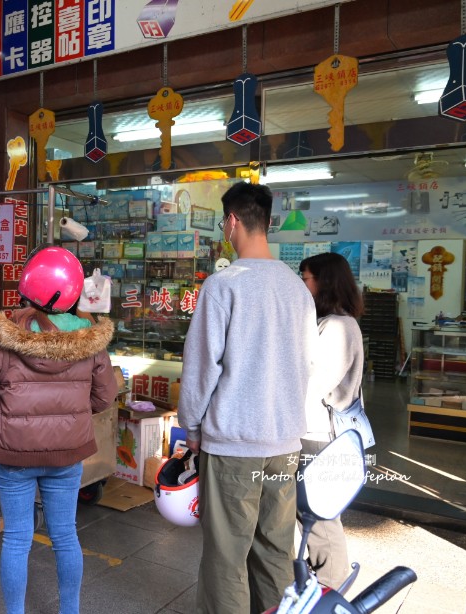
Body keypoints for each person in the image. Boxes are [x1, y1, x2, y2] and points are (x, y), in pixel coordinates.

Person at [178, 182, 319, 613]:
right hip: (284, 445)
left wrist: (192, 428)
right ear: (268, 222)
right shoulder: (299, 290)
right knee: (275, 550)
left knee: (226, 556)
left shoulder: (224, 286)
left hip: (235, 443)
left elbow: (202, 367)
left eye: (225, 222)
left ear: (232, 221)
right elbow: (306, 365)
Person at [0, 246, 118, 614]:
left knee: (16, 540)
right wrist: (70, 418)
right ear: (74, 291)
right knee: (65, 535)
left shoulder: (4, 334)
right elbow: (105, 397)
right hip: (67, 455)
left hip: (12, 455)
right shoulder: (90, 341)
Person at [299, 251, 365, 587]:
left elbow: (312, 386)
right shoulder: (329, 323)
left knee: (319, 515)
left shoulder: (338, 327)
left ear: (325, 282)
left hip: (318, 435)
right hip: (314, 431)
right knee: (311, 513)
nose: (301, 284)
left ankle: (331, 586)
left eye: (305, 278)